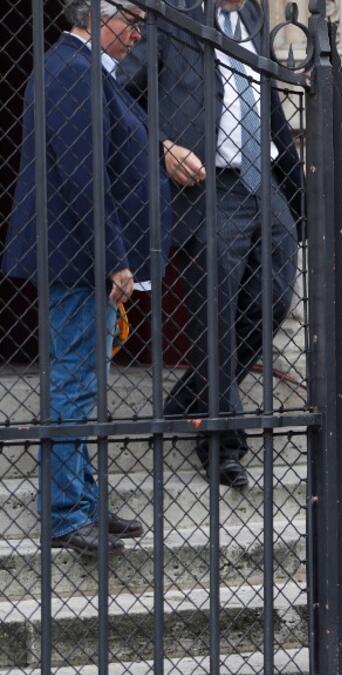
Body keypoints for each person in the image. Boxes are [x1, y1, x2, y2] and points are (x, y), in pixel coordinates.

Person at [2, 0, 172, 554]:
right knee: (74, 384)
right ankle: (66, 512)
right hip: (80, 260)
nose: (138, 33)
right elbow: (83, 177)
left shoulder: (86, 71)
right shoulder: (71, 71)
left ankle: (83, 499)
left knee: (83, 383)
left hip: (83, 258)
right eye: (133, 21)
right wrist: (115, 259)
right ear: (99, 17)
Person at [118, 0, 303, 489]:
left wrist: (297, 191)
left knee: (274, 299)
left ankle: (189, 397)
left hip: (264, 181)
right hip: (205, 186)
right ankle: (222, 441)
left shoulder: (253, 19)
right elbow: (116, 96)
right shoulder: (170, 17)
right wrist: (161, 148)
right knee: (215, 315)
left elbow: (268, 105)